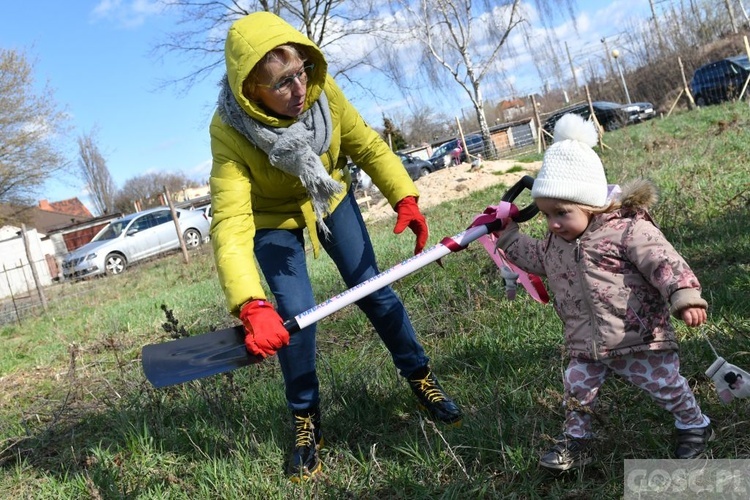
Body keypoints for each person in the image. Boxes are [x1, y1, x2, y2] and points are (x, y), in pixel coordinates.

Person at [208, 12, 462, 481]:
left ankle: (420, 376)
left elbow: (367, 145)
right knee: (295, 320)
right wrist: (250, 303)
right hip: (272, 220)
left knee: (373, 290)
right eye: (282, 83)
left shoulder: (324, 96)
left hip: (330, 194)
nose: (300, 87)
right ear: (251, 92)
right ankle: (305, 420)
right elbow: (230, 221)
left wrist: (405, 196)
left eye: (302, 70)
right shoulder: (229, 130)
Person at [493, 113, 713, 471]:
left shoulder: (626, 231)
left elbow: (662, 261)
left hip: (636, 335)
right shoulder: (556, 241)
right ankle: (577, 442)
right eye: (546, 215)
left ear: (591, 204)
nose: (552, 223)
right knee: (576, 388)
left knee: (664, 384)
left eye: (561, 213)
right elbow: (535, 258)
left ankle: (693, 424)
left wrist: (684, 294)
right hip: (586, 343)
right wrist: (507, 237)